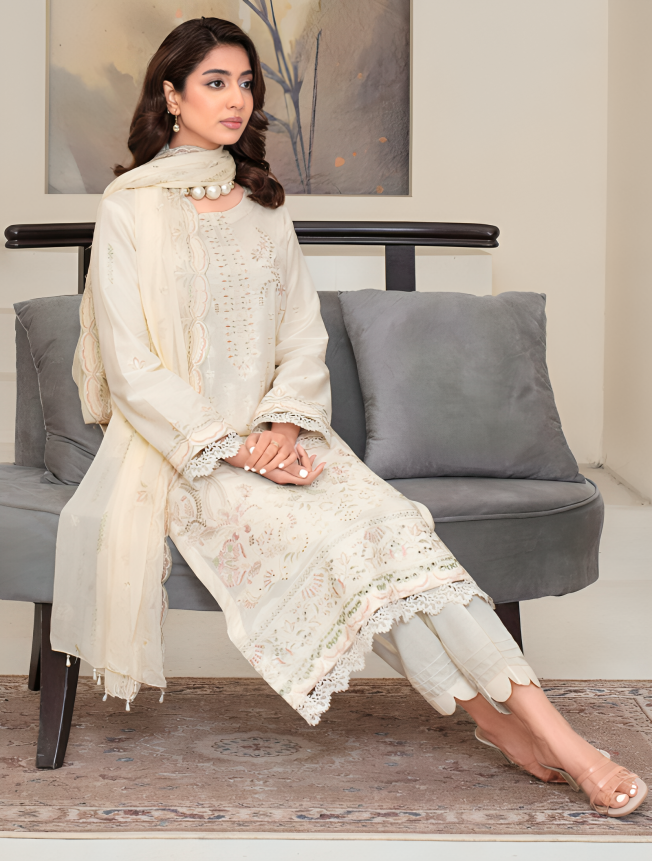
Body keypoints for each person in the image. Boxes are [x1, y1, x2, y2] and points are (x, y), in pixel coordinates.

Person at [51, 17, 646, 818]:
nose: (236, 98)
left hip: (289, 440)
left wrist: (283, 429)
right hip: (186, 459)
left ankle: (538, 730)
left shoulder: (264, 207)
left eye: (246, 82)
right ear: (173, 95)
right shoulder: (129, 211)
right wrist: (235, 448)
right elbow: (132, 368)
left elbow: (303, 339)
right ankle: (528, 734)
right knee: (351, 548)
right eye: (215, 82)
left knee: (396, 527)